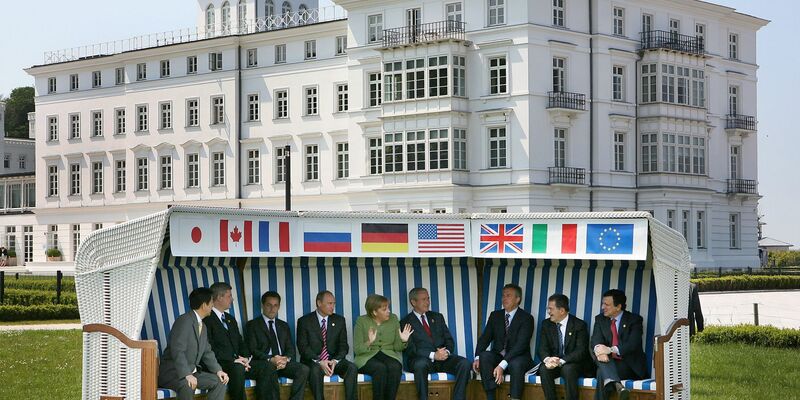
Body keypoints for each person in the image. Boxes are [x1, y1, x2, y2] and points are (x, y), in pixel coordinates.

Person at [158, 287, 229, 400]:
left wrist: (218, 370)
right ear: (204, 305)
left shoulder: (202, 326)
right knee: (188, 384)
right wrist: (186, 374)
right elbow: (178, 350)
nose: (212, 306)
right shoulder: (184, 321)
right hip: (174, 373)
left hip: (192, 372)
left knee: (220, 381)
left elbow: (207, 352)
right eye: (211, 302)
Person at [401, 287, 471, 400]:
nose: (427, 302)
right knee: (420, 365)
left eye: (428, 298)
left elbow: (449, 340)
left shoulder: (437, 317)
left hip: (443, 359)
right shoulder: (406, 322)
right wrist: (433, 355)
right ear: (413, 302)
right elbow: (410, 349)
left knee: (465, 364)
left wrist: (446, 352)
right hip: (422, 360)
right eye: (423, 299)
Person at [203, 282, 269, 400]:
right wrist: (233, 360)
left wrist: (246, 358)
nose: (232, 299)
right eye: (229, 296)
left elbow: (240, 342)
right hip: (220, 365)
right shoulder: (206, 319)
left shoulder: (230, 319)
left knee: (266, 366)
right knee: (237, 368)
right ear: (219, 297)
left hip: (238, 363)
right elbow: (209, 348)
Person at [473, 283, 534, 400]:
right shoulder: (495, 315)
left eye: (508, 296)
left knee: (516, 364)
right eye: (503, 295)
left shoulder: (527, 318)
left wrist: (502, 365)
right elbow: (485, 338)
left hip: (518, 356)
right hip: (498, 355)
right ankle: (491, 396)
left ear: (518, 299)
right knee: (484, 356)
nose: (504, 298)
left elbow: (521, 345)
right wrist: (477, 357)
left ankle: (515, 398)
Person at [245, 291, 309, 400]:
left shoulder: (283, 325)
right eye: (269, 305)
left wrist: (285, 359)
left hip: (282, 364)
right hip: (264, 363)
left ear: (279, 306)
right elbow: (252, 349)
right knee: (268, 368)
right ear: (263, 305)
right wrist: (271, 359)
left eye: (275, 305)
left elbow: (290, 348)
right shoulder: (252, 325)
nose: (272, 309)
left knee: (303, 369)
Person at [296, 290, 358, 400]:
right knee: (315, 370)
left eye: (334, 303)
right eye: (330, 303)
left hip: (333, 361)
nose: (332, 306)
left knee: (352, 367)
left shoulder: (339, 320)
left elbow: (344, 346)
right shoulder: (304, 321)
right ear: (319, 303)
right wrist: (319, 361)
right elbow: (303, 347)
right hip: (314, 361)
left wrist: (335, 361)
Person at [354, 294, 413, 400]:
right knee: (380, 368)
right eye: (384, 309)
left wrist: (404, 340)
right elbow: (357, 349)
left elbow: (397, 347)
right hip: (367, 356)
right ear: (374, 312)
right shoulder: (361, 321)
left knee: (395, 367)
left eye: (388, 308)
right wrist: (369, 342)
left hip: (388, 354)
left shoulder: (393, 319)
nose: (388, 311)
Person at [590, 289, 647, 400]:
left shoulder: (634, 320)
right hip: (607, 361)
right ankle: (618, 386)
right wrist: (599, 351)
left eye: (606, 304)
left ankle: (615, 382)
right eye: (603, 303)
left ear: (618, 307)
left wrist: (610, 350)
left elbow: (632, 344)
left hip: (628, 364)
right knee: (601, 367)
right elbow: (595, 340)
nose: (602, 307)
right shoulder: (600, 319)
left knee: (601, 372)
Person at [537, 294, 593, 400]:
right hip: (555, 363)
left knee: (568, 369)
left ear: (562, 311)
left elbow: (581, 351)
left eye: (551, 309)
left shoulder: (579, 325)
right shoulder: (546, 324)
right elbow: (542, 348)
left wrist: (561, 361)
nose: (548, 311)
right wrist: (548, 359)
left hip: (574, 363)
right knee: (544, 369)